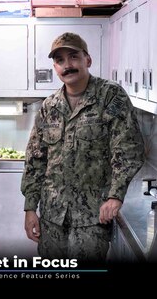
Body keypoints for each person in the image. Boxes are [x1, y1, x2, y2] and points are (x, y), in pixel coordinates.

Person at [21, 32, 144, 262]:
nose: (67, 65)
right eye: (60, 60)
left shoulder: (110, 95)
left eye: (73, 57)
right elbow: (35, 159)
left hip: (92, 218)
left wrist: (115, 196)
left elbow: (128, 148)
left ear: (88, 60)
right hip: (52, 217)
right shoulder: (50, 106)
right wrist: (30, 208)